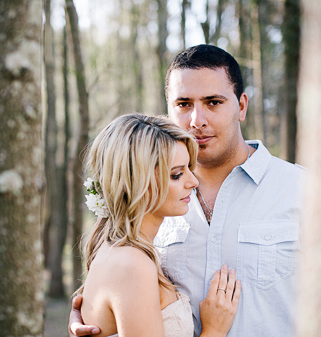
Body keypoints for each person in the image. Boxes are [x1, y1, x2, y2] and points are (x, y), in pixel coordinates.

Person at [69, 45, 305, 337]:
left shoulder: (304, 191)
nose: (197, 120)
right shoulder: (152, 201)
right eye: (183, 104)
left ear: (241, 106)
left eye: (213, 102)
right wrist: (93, 309)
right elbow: (124, 280)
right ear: (168, 109)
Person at [76, 113, 239, 337]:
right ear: (137, 182)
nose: (193, 181)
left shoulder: (123, 252)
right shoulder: (132, 264)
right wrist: (214, 330)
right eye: (176, 175)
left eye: (189, 169)